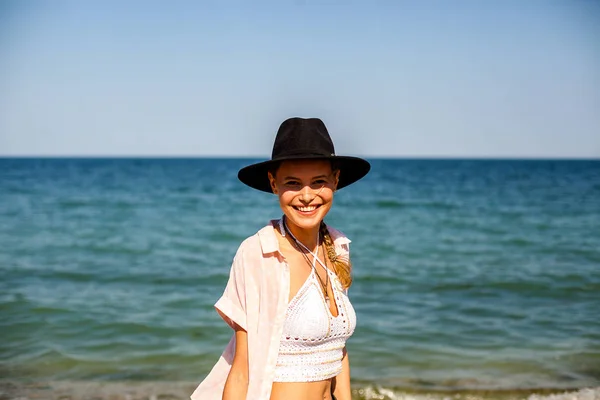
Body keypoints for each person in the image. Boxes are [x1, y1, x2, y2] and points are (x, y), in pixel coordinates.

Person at [191, 117, 370, 400]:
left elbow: (338, 352)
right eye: (293, 183)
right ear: (274, 184)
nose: (307, 196)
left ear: (335, 181)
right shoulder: (258, 253)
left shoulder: (338, 246)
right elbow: (242, 367)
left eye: (318, 182)